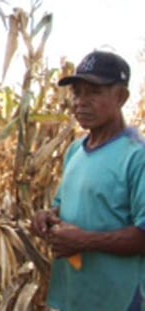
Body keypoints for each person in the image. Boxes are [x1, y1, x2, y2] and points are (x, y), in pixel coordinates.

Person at [32, 50, 145, 310]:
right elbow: (65, 205)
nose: (80, 102)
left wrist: (85, 241)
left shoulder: (136, 156)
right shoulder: (75, 151)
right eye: (77, 93)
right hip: (72, 297)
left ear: (121, 97)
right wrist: (47, 217)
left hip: (119, 300)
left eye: (93, 92)